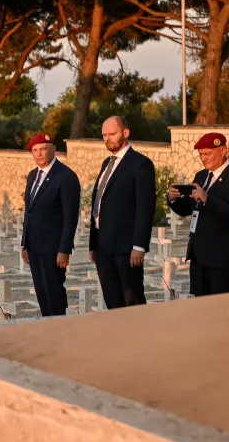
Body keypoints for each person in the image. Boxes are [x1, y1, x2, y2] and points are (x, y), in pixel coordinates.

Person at [88, 115, 157, 308]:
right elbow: (99, 203)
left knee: (132, 301)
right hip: (103, 247)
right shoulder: (106, 164)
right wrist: (93, 244)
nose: (107, 138)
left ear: (125, 133)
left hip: (126, 248)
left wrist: (139, 246)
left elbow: (145, 208)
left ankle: (139, 338)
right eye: (104, 135)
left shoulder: (140, 164)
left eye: (112, 133)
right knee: (113, 302)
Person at [168, 132, 229, 296]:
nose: (203, 158)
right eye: (200, 154)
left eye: (207, 153)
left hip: (221, 259)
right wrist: (173, 199)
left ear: (223, 150)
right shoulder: (201, 175)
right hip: (199, 256)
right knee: (201, 309)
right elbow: (189, 208)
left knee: (221, 310)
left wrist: (207, 199)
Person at [19, 133, 81, 317]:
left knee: (54, 294)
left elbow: (70, 216)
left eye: (43, 149)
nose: (38, 154)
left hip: (53, 249)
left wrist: (64, 250)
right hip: (34, 247)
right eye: (35, 151)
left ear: (53, 149)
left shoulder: (65, 176)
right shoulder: (33, 175)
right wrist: (25, 242)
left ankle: (59, 330)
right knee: (42, 294)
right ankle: (48, 327)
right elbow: (29, 211)